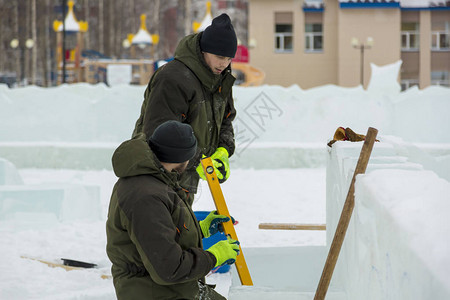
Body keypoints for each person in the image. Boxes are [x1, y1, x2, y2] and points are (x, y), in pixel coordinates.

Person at [106, 120, 240, 300]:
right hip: (152, 292)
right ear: (181, 158)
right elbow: (169, 269)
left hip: (169, 288)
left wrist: (200, 231)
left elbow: (159, 237)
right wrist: (214, 256)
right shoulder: (146, 197)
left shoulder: (154, 179)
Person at [132, 13, 238, 204]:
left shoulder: (220, 79)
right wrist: (197, 160)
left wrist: (223, 149)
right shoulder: (173, 78)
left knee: (181, 228)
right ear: (204, 50)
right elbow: (159, 130)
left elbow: (225, 118)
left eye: (229, 58)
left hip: (186, 173)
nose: (224, 63)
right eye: (220, 56)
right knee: (160, 227)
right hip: (158, 171)